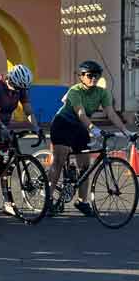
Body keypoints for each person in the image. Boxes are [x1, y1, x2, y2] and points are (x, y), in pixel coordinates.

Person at [47, 60, 135, 216]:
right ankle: (48, 199)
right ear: (81, 76)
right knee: (59, 160)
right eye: (89, 75)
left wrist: (126, 131)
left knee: (85, 166)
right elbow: (81, 114)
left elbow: (111, 113)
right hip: (62, 124)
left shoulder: (102, 92)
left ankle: (82, 202)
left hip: (80, 127)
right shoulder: (75, 91)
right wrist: (94, 130)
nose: (94, 78)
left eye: (97, 75)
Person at [0, 63, 41, 216]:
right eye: (17, 88)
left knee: (5, 164)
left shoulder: (20, 88)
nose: (18, 91)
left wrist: (37, 128)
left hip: (5, 126)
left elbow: (27, 110)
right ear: (10, 79)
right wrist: (2, 128)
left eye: (21, 89)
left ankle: (7, 202)